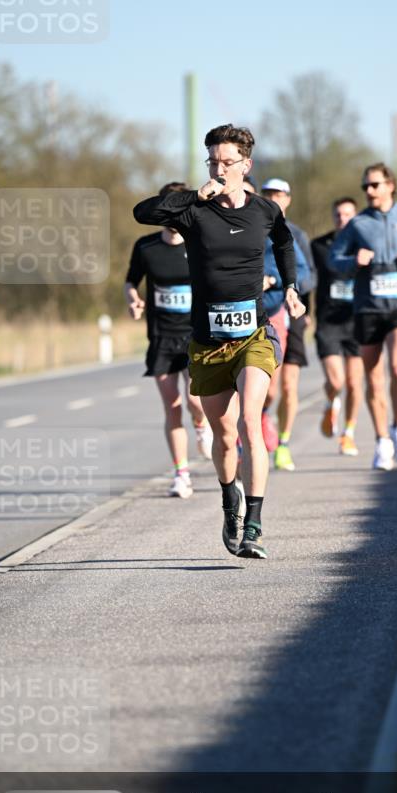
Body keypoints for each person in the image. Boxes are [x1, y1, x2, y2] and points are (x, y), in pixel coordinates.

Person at [133, 124, 305, 559]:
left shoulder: (264, 210)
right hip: (208, 342)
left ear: (246, 165)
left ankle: (254, 525)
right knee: (223, 435)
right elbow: (144, 212)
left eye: (227, 162)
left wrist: (291, 287)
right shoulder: (195, 213)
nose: (218, 168)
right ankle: (230, 502)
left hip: (253, 334)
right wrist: (194, 195)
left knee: (249, 421)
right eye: (212, 161)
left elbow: (284, 243)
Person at [330, 163, 397, 471]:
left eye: (374, 185)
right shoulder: (357, 225)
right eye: (365, 187)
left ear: (390, 185)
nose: (369, 191)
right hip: (368, 307)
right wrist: (353, 261)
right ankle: (382, 440)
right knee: (373, 379)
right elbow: (335, 259)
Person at [125, 183, 212, 499]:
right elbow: (130, 282)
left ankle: (202, 426)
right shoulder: (146, 247)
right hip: (162, 337)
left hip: (195, 334)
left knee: (194, 401)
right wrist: (133, 299)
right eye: (168, 209)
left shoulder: (199, 242)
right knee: (172, 407)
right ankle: (182, 474)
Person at [260, 178, 316, 473]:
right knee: (270, 388)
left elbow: (310, 276)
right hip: (262, 313)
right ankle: (264, 414)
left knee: (290, 386)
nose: (273, 198)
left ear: (288, 199)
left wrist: (283, 284)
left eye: (278, 194)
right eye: (267, 194)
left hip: (292, 314)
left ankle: (283, 445)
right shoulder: (252, 228)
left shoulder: (296, 234)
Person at [311, 197, 362, 455]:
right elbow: (304, 279)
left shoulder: (364, 247)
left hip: (356, 323)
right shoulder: (319, 246)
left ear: (355, 217)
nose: (342, 219)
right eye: (338, 215)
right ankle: (331, 401)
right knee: (337, 381)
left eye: (347, 215)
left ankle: (348, 433)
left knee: (354, 383)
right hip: (328, 323)